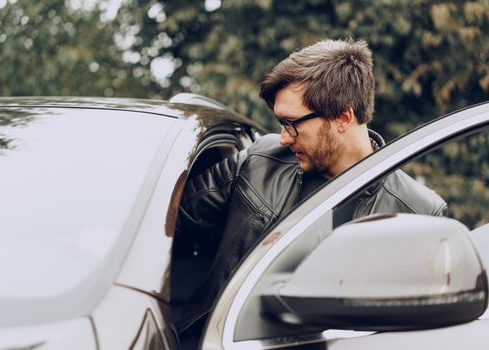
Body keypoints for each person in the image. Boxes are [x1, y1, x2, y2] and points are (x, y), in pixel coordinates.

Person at [176, 38, 447, 344]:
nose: (283, 138)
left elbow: (415, 332)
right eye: (280, 123)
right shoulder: (259, 160)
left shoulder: (417, 210)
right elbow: (170, 223)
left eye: (291, 124)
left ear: (343, 117)